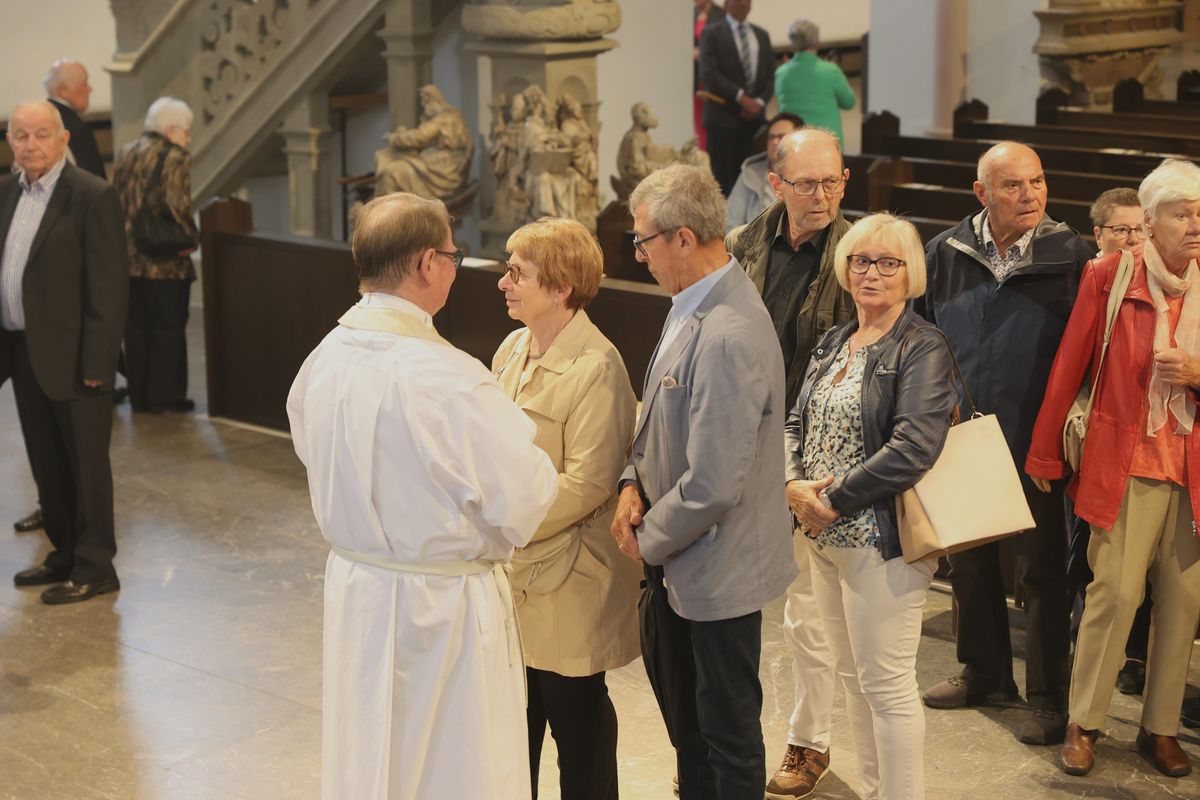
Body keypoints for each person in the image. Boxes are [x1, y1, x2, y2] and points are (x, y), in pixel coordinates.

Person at [286, 192, 558, 800]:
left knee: (371, 753)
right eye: (455, 257)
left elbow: (315, 453)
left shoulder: (322, 360)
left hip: (361, 590)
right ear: (427, 264)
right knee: (451, 765)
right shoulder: (450, 378)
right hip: (442, 607)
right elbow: (526, 497)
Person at [612, 164, 796, 799]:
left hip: (717, 566)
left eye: (643, 241)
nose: (639, 255)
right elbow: (657, 420)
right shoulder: (692, 303)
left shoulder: (726, 331)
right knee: (690, 734)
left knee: (726, 737)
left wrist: (647, 538)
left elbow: (714, 483)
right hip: (685, 558)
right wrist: (632, 483)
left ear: (683, 239)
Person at [1026, 158, 1200, 780]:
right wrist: (1045, 448)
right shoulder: (1110, 273)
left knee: (1183, 601)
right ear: (1149, 222)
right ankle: (1085, 722)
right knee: (1116, 593)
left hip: (1193, 466)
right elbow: (1072, 358)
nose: (1195, 224)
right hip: (1125, 457)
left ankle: (1160, 728)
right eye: (1183, 214)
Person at [919, 141, 1095, 744]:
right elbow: (921, 337)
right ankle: (985, 673)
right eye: (1014, 186)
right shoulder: (944, 252)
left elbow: (1090, 352)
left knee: (1044, 572)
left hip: (1036, 437)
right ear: (982, 193)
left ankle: (1049, 698)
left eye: (1038, 182)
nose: (1031, 196)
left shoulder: (1073, 256)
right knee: (969, 562)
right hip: (964, 433)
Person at [785, 212, 956, 800]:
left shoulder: (921, 345)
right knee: (855, 679)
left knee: (886, 684)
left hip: (880, 540)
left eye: (889, 262)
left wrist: (829, 499)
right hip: (823, 536)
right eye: (861, 260)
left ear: (911, 275)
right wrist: (792, 486)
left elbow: (914, 448)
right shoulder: (836, 339)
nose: (872, 272)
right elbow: (795, 420)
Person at [491, 217, 641, 800]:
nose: (504, 282)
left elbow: (588, 483)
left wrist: (504, 518)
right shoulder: (512, 347)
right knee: (514, 721)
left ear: (560, 288)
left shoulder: (597, 367)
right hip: (514, 564)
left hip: (570, 573)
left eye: (517, 273)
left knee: (575, 716)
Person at [726, 126, 853, 798]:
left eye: (833, 181)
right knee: (742, 604)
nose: (822, 195)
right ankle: (732, 732)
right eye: (807, 182)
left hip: (818, 458)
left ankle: (811, 741)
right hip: (745, 450)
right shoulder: (743, 247)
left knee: (810, 613)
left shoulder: (859, 254)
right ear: (775, 184)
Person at [1, 100, 128, 604]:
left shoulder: (92, 196)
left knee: (86, 466)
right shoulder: (8, 192)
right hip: (24, 352)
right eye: (19, 135)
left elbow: (110, 289)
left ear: (63, 139)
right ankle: (64, 554)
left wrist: (99, 364)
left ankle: (96, 565)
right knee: (47, 463)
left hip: (78, 361)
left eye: (40, 135)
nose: (30, 145)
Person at [1073, 186, 1150, 695]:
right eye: (1120, 230)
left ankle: (1138, 657)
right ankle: (1092, 654)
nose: (1131, 239)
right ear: (1098, 235)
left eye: (1138, 229)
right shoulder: (1095, 277)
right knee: (1097, 564)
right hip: (1098, 437)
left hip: (1150, 445)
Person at [112, 97, 199, 414]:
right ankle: (165, 397)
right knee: (168, 327)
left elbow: (117, 200)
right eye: (187, 131)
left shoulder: (126, 150)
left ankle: (139, 395)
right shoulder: (175, 157)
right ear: (172, 130)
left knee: (135, 328)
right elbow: (177, 207)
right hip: (164, 264)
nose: (189, 139)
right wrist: (192, 238)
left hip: (129, 258)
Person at [698, 0, 776, 196]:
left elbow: (770, 76)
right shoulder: (712, 33)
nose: (742, 3)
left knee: (753, 178)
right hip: (723, 119)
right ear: (726, 3)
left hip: (754, 120)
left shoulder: (761, 34)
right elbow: (709, 73)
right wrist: (741, 98)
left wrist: (758, 102)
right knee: (722, 181)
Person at [374, 85, 473, 200]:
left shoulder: (444, 118)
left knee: (392, 172)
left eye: (424, 101)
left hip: (443, 170)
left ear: (432, 100)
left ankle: (388, 213)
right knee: (392, 160)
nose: (422, 105)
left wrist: (394, 138)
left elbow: (419, 137)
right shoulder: (453, 116)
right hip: (443, 164)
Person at [774, 21, 856, 147]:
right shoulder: (831, 70)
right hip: (828, 143)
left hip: (794, 144)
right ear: (817, 43)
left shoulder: (781, 73)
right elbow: (849, 102)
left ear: (792, 44)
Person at [725, 112, 803, 232]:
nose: (774, 142)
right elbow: (730, 221)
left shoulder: (810, 176)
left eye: (781, 137)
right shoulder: (750, 173)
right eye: (771, 137)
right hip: (752, 246)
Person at [44, 59, 104, 178]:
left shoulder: (42, 120)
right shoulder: (75, 128)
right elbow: (94, 181)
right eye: (84, 83)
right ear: (63, 90)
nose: (90, 89)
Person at [692, 1, 725, 150]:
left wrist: (702, 53)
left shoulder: (720, 13)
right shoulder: (691, 14)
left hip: (713, 77)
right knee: (697, 124)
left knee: (710, 123)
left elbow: (724, 43)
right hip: (695, 78)